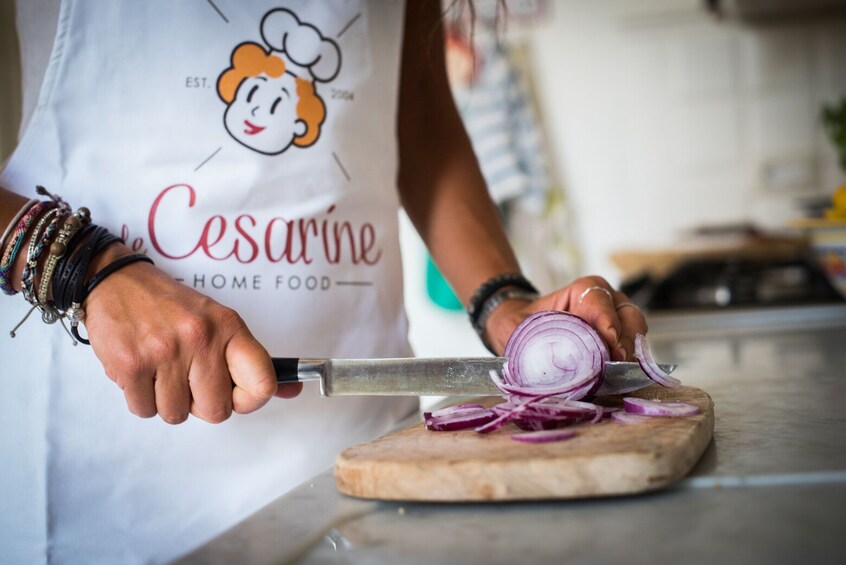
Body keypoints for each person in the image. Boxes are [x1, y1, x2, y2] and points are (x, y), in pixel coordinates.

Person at [0, 1, 647, 563]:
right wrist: (81, 266)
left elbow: (418, 118)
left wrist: (504, 302)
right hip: (111, 481)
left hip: (368, 461)